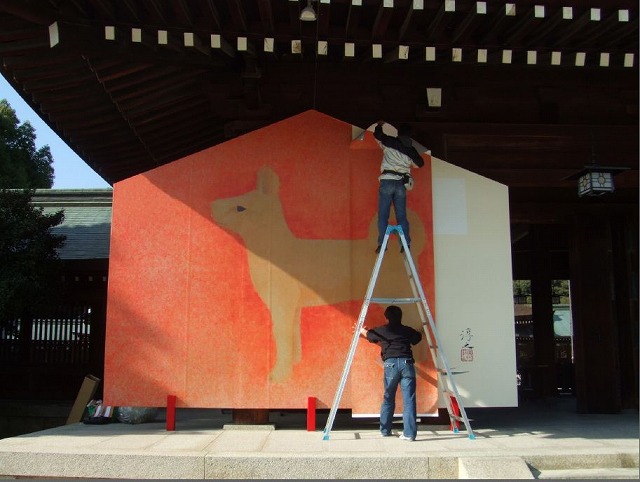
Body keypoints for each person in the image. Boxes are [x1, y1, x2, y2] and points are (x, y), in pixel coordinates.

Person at [358, 305, 423, 441]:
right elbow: (417, 338)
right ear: (400, 317)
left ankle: (385, 430)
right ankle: (409, 434)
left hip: (391, 365)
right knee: (409, 401)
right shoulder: (406, 330)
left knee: (388, 398)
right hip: (407, 364)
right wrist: (418, 331)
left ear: (386, 317)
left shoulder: (383, 330)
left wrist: (362, 330)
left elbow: (369, 335)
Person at [373, 120, 424, 253]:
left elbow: (378, 135)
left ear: (399, 133)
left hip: (387, 181)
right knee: (401, 216)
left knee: (383, 215)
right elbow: (419, 163)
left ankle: (382, 245)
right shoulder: (411, 150)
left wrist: (379, 125)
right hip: (402, 184)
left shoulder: (390, 142)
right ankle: (405, 244)